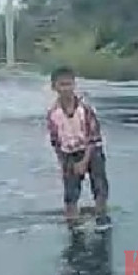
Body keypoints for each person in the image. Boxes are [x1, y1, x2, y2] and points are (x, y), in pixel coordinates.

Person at [46, 66, 108, 222]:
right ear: (54, 87)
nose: (66, 88)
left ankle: (101, 216)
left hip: (91, 152)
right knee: (70, 194)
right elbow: (56, 141)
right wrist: (63, 163)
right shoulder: (53, 114)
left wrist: (84, 162)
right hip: (69, 154)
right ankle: (72, 222)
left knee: (99, 187)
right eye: (62, 85)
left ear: (74, 85)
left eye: (69, 84)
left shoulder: (85, 109)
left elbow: (93, 137)